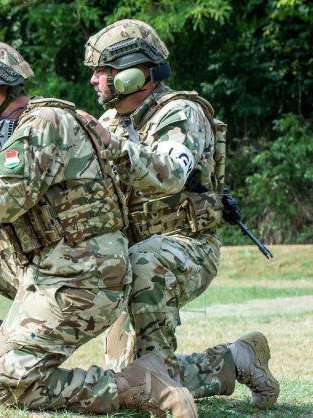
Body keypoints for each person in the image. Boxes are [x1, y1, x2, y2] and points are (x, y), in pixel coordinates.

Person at [0, 41, 196, 417]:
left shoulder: (43, 125)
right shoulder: (18, 134)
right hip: (50, 267)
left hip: (85, 276)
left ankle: (137, 385)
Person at [84, 19, 279, 408]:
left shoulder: (181, 113)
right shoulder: (111, 122)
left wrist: (112, 147)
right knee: (128, 378)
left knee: (144, 264)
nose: (93, 80)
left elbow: (171, 173)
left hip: (186, 247)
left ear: (135, 73)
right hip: (131, 253)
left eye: (102, 70)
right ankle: (235, 359)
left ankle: (163, 386)